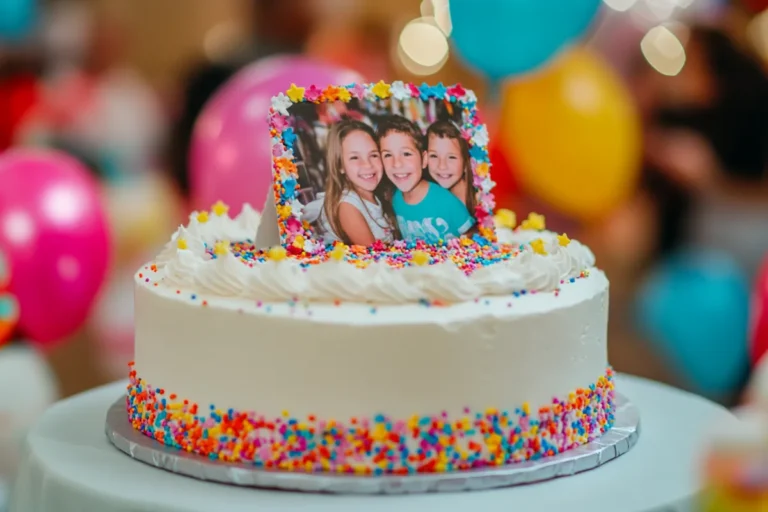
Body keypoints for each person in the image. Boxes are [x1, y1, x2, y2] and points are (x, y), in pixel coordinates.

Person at [377, 115, 474, 243]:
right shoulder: (394, 199)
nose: (397, 164)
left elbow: (472, 237)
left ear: (424, 160)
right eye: (388, 155)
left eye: (406, 153)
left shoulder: (447, 201)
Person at [308, 119, 394, 246]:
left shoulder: (378, 196)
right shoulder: (347, 207)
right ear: (340, 166)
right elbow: (375, 258)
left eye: (373, 155)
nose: (367, 164)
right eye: (354, 157)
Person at [425, 120, 476, 214]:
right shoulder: (436, 200)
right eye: (434, 156)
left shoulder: (480, 202)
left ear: (466, 162)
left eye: (451, 157)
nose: (442, 166)